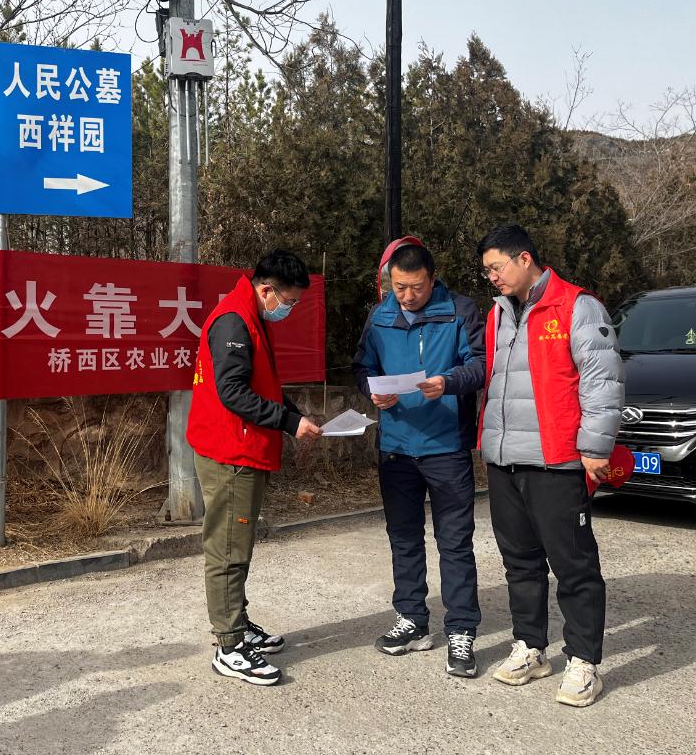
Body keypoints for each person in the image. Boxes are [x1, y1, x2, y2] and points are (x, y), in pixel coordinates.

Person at [475, 224, 623, 707]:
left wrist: (595, 446)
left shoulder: (577, 306)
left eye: (496, 267)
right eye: (487, 271)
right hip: (504, 458)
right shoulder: (498, 314)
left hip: (556, 459)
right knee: (519, 561)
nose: (492, 277)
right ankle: (530, 647)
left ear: (524, 259)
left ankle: (583, 661)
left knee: (573, 563)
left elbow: (602, 381)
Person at [186, 249, 322, 686]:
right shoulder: (234, 321)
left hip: (241, 448)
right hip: (230, 452)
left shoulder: (249, 315)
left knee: (236, 544)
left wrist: (294, 415)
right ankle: (229, 646)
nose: (290, 309)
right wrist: (288, 421)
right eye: (289, 301)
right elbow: (233, 393)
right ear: (267, 290)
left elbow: (263, 383)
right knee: (228, 549)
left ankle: (238, 624)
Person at [352, 236, 486, 677]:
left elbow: (481, 364)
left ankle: (461, 629)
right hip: (396, 446)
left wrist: (448, 382)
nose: (407, 296)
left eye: (416, 287)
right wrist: (373, 391)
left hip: (445, 447)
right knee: (403, 537)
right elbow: (362, 366)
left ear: (433, 278)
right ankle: (411, 618)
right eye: (399, 287)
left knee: (455, 541)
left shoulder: (460, 311)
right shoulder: (380, 315)